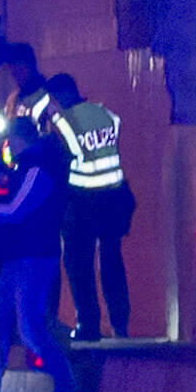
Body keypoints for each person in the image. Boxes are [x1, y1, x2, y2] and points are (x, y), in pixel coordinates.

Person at [0, 108, 80, 392]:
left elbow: (15, 210)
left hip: (34, 258)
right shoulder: (27, 167)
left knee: (30, 328)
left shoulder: (39, 169)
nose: (6, 145)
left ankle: (69, 389)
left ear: (17, 138)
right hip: (19, 255)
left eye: (9, 138)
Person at [43, 72, 134, 342]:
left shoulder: (63, 122)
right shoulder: (105, 114)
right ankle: (120, 324)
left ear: (58, 97)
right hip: (114, 197)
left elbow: (60, 162)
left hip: (83, 200)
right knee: (111, 261)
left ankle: (88, 325)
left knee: (77, 262)